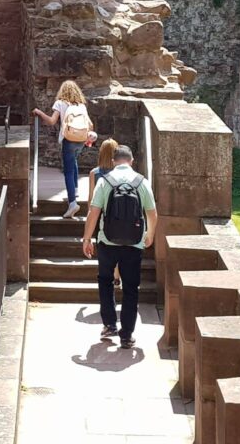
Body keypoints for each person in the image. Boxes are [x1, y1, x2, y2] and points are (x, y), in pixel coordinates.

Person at [81, 145, 157, 349]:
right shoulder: (142, 182)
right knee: (131, 288)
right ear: (131, 161)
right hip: (134, 243)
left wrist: (87, 239)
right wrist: (149, 235)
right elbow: (152, 213)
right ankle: (127, 335)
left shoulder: (104, 181)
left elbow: (93, 212)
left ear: (113, 161)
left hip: (107, 241)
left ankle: (109, 325)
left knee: (105, 281)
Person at [31, 80, 92, 219]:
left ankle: (72, 203)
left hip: (68, 139)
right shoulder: (81, 105)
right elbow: (90, 124)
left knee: (68, 171)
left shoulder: (60, 103)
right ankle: (75, 190)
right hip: (81, 140)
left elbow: (52, 121)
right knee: (74, 161)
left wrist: (39, 113)